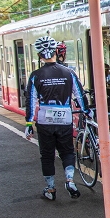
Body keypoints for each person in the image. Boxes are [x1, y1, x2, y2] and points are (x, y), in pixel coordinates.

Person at [25, 36, 91, 201]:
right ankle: (69, 180)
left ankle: (51, 188)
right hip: (65, 119)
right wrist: (86, 111)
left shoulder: (35, 75)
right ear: (56, 52)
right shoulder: (69, 73)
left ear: (40, 56)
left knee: (47, 155)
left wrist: (28, 123)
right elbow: (80, 95)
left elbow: (31, 101)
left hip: (45, 122)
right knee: (67, 151)